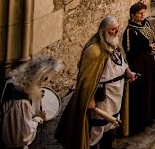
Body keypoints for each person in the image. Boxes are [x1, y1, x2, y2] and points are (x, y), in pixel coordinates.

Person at [55, 17, 137, 149]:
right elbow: (87, 80)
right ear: (103, 30)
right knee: (98, 126)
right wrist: (90, 98)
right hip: (103, 94)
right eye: (112, 29)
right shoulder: (94, 51)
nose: (116, 31)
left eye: (117, 28)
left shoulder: (114, 45)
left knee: (112, 122)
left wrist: (128, 71)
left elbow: (121, 61)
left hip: (116, 91)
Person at [0, 55, 61, 149]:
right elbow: (19, 138)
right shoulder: (20, 100)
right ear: (38, 76)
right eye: (44, 79)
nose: (42, 83)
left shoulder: (9, 81)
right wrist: (37, 119)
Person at [122, 3, 155, 133]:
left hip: (148, 61)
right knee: (140, 90)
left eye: (143, 12)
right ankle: (139, 121)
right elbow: (129, 50)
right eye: (140, 13)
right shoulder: (130, 31)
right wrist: (147, 48)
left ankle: (150, 115)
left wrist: (153, 46)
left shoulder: (145, 24)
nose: (142, 15)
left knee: (150, 86)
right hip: (137, 64)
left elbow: (150, 37)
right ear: (132, 15)